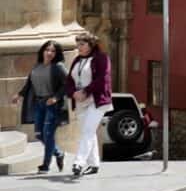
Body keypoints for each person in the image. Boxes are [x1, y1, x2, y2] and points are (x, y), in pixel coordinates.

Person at [10, 40, 68, 173]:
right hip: (38, 104)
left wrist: (55, 98)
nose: (49, 53)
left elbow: (67, 84)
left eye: (53, 51)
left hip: (52, 105)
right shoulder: (37, 66)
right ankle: (58, 153)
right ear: (42, 51)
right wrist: (19, 95)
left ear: (56, 54)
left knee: (48, 135)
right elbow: (29, 84)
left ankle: (45, 166)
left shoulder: (58, 66)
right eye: (47, 50)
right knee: (39, 134)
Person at [65, 33, 112, 176]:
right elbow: (69, 81)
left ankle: (78, 162)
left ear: (91, 45)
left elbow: (102, 79)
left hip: (96, 101)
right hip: (80, 101)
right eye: (77, 44)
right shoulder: (77, 60)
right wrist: (73, 93)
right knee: (89, 132)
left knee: (87, 130)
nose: (78, 47)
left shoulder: (101, 58)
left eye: (82, 44)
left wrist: (86, 91)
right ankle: (94, 164)